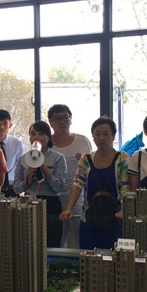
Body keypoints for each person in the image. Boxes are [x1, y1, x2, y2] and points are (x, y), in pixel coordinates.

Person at [60, 117, 130, 250]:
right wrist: (69, 208)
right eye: (97, 134)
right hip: (89, 219)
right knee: (88, 257)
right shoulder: (86, 159)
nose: (101, 138)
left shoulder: (122, 158)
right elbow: (77, 184)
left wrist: (123, 210)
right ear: (92, 136)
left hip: (115, 220)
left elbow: (125, 187)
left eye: (106, 134)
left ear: (113, 136)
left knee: (115, 258)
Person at [14, 121, 67, 247]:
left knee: (51, 243)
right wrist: (27, 179)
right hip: (28, 202)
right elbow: (16, 188)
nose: (36, 137)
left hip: (51, 204)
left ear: (48, 137)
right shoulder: (23, 159)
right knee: (28, 243)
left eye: (41, 133)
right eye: (33, 134)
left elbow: (59, 186)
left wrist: (43, 167)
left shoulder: (58, 158)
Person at [48, 104, 93, 248]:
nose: (62, 121)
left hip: (78, 197)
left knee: (81, 238)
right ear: (50, 122)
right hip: (54, 198)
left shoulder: (83, 141)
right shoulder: (46, 144)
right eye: (57, 118)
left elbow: (90, 168)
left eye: (65, 117)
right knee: (57, 240)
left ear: (71, 119)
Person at [0, 109, 23, 197]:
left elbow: (20, 165)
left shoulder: (17, 143)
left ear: (10, 125)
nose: (2, 127)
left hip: (12, 186)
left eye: (5, 123)